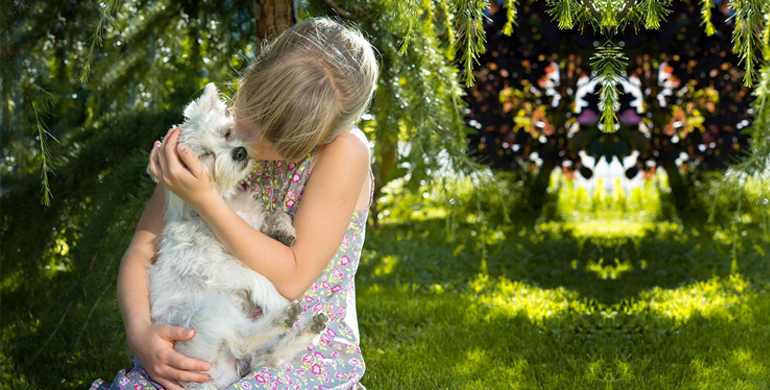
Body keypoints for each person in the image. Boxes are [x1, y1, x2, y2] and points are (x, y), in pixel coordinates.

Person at [90, 17, 378, 390]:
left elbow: (290, 277)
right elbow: (143, 250)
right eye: (251, 110)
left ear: (322, 136)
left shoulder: (344, 153)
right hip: (206, 339)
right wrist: (140, 333)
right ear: (255, 74)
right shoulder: (214, 131)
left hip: (296, 351)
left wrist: (206, 200)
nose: (248, 138)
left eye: (277, 137)